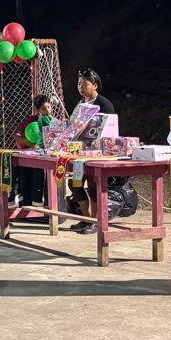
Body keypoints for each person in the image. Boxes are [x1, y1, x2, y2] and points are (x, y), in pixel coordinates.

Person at [69, 69, 117, 234]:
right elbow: (72, 123)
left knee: (93, 184)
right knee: (74, 183)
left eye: (85, 84)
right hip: (79, 153)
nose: (81, 87)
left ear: (95, 85)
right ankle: (87, 218)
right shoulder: (81, 104)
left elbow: (110, 129)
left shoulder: (104, 104)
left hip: (98, 152)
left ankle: (96, 221)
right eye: (79, 84)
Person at [12, 94, 54, 208]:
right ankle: (27, 200)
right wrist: (31, 144)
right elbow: (16, 135)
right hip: (31, 154)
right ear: (37, 110)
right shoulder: (32, 120)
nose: (47, 111)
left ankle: (43, 201)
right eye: (43, 109)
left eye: (49, 107)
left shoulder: (54, 121)